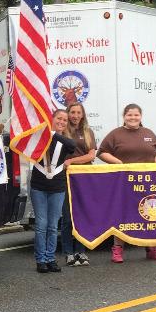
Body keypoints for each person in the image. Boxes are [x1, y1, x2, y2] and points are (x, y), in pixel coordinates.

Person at [98, 103, 156, 263]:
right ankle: (117, 250)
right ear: (124, 117)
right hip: (124, 184)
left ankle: (152, 248)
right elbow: (101, 153)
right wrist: (119, 163)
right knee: (122, 216)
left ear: (141, 117)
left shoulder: (148, 133)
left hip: (149, 183)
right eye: (129, 115)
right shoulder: (116, 134)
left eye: (136, 115)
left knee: (151, 214)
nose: (133, 118)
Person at [31, 109, 92, 273]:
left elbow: (72, 146)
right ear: (51, 118)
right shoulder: (39, 139)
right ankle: (41, 260)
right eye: (59, 118)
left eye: (65, 120)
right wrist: (45, 131)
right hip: (39, 186)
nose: (62, 122)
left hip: (57, 187)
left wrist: (52, 132)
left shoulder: (65, 140)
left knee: (52, 226)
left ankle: (50, 258)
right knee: (41, 225)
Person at [60, 102, 97, 266]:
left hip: (84, 179)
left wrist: (72, 161)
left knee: (82, 216)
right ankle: (68, 253)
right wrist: (68, 164)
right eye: (72, 112)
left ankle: (81, 252)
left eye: (78, 113)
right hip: (66, 178)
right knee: (68, 217)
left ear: (83, 115)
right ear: (68, 114)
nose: (75, 116)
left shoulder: (88, 132)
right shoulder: (63, 132)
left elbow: (91, 156)